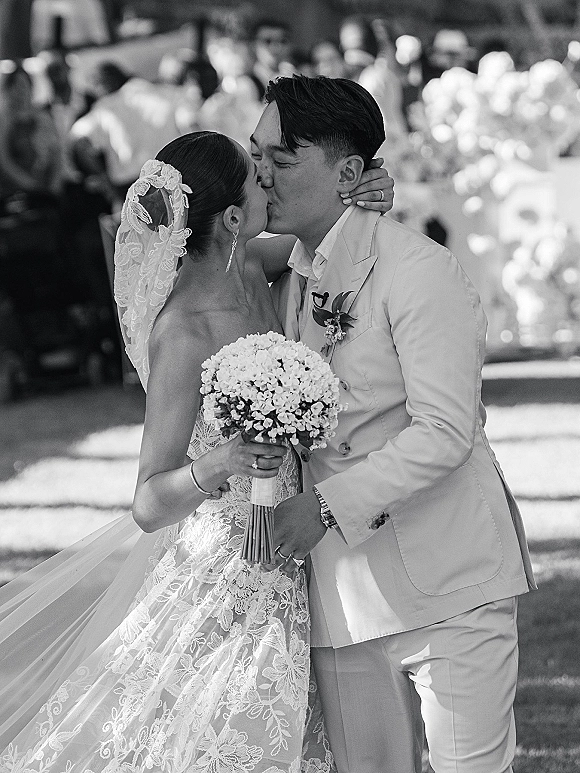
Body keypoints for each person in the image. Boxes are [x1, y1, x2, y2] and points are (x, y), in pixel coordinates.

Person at [0, 130, 394, 768]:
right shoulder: (182, 333)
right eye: (257, 178)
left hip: (294, 537)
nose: (269, 179)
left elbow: (330, 235)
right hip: (227, 563)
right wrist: (219, 463)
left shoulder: (254, 267)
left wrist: (368, 190)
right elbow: (148, 502)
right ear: (233, 217)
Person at [249, 75, 536, 773]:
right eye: (257, 157)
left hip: (450, 578)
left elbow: (445, 430)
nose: (263, 175)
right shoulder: (283, 275)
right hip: (342, 597)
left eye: (282, 159)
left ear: (349, 172)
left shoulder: (419, 270)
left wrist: (323, 506)